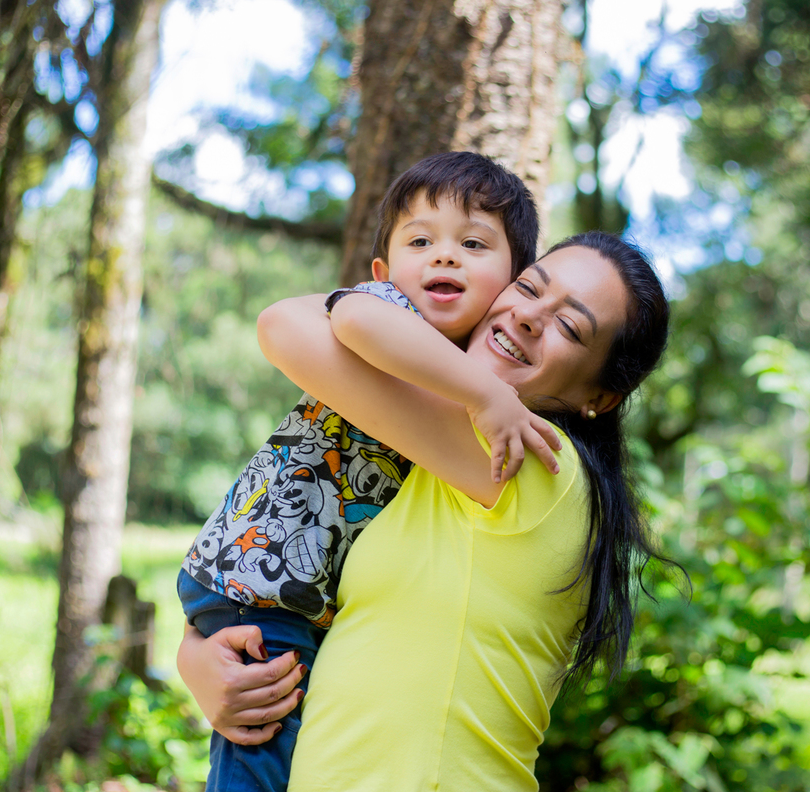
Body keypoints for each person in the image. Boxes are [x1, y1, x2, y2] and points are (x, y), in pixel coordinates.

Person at [177, 231, 672, 791]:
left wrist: (405, 294)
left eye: (570, 327)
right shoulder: (427, 468)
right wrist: (203, 654)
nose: (530, 316)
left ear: (600, 399)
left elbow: (285, 326)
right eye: (528, 288)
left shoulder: (534, 463)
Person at [176, 151, 554, 792]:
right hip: (267, 582)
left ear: (513, 280)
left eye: (473, 243)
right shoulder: (389, 312)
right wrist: (489, 397)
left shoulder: (459, 377)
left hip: (288, 590)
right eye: (420, 241)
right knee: (260, 759)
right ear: (384, 270)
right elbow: (351, 316)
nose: (444, 256)